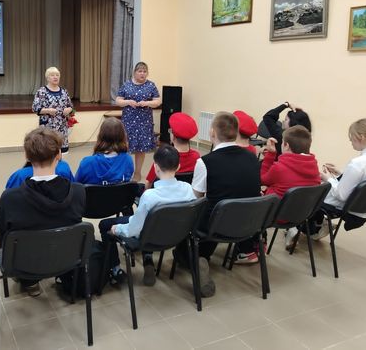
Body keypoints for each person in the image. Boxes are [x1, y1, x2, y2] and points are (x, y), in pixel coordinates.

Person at [0, 128, 85, 297]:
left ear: (27, 156)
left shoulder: (10, 198)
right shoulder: (79, 191)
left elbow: (4, 233)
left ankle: (29, 281)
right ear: (58, 154)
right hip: (67, 255)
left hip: (26, 261)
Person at [100, 145, 195, 287]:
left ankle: (115, 270)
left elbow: (134, 229)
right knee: (151, 222)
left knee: (105, 225)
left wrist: (118, 228)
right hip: (176, 237)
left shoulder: (150, 196)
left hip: (149, 238)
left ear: (155, 167)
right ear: (178, 167)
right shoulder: (188, 189)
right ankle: (148, 258)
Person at [187, 112, 260, 295]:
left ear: (212, 132)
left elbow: (196, 199)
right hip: (248, 225)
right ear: (236, 132)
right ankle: (203, 255)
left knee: (193, 222)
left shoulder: (205, 162)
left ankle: (198, 257)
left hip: (215, 226)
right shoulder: (253, 158)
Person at [310, 118, 366, 240]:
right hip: (365, 208)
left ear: (362, 137)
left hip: (348, 208)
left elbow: (341, 195)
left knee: (309, 196)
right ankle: (319, 226)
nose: (350, 140)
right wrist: (341, 174)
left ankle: (309, 229)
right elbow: (364, 181)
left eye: (351, 136)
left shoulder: (357, 164)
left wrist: (326, 178)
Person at [260, 125, 321, 248]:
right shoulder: (314, 166)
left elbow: (262, 179)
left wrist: (270, 154)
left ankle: (253, 246)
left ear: (286, 145)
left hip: (276, 215)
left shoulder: (279, 167)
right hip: (302, 214)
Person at [116, 62, 161, 182]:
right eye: (140, 71)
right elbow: (118, 100)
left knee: (140, 148)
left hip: (144, 122)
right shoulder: (126, 84)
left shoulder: (151, 85)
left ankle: (137, 173)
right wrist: (128, 102)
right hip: (128, 121)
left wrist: (147, 103)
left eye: (145, 71)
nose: (142, 74)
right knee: (124, 146)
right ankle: (123, 171)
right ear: (134, 72)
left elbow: (157, 101)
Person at [144, 112, 200, 189]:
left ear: (173, 137)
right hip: (186, 195)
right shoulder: (196, 157)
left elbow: (149, 183)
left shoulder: (162, 157)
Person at [75, 117, 133, 185]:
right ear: (123, 136)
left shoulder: (87, 163)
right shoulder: (127, 160)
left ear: (100, 136)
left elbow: (76, 185)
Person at [32, 67, 74, 153]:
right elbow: (35, 108)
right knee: (48, 153)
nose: (55, 77)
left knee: (62, 153)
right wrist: (48, 110)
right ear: (47, 78)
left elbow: (71, 106)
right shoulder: (42, 91)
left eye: (57, 75)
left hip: (62, 128)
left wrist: (69, 109)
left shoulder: (64, 91)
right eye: (52, 75)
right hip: (47, 129)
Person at [5, 159, 73, 189]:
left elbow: (9, 201)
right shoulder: (64, 168)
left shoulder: (19, 175)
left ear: (27, 156)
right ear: (58, 153)